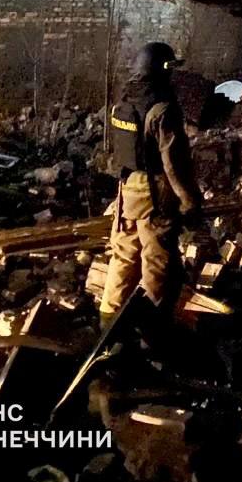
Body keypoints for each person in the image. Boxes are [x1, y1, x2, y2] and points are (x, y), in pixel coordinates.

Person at [100, 41, 203, 320]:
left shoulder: (123, 103)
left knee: (123, 256)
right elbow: (173, 164)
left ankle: (107, 321)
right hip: (154, 195)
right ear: (162, 70)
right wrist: (189, 201)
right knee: (157, 260)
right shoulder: (162, 109)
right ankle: (153, 328)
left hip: (126, 190)